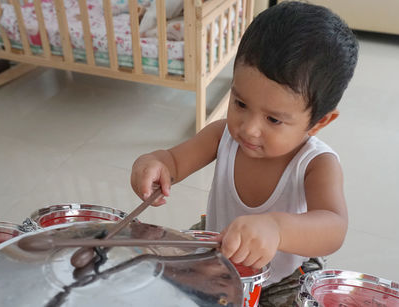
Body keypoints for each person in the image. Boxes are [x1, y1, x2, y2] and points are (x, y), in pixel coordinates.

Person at [131, 2, 358, 305]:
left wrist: (277, 229)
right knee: (158, 276)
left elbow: (334, 227)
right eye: (240, 104)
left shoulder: (316, 163)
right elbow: (173, 161)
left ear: (319, 122)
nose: (249, 129)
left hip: (284, 276)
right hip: (220, 252)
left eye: (273, 119)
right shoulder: (221, 134)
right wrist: (154, 164)